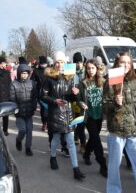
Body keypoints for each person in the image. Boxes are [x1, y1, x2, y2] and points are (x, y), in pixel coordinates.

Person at [103, 52, 136, 193]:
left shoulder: (134, 81)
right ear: (117, 63)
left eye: (128, 63)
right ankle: (113, 190)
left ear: (131, 65)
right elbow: (105, 107)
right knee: (114, 166)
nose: (125, 65)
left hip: (133, 131)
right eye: (122, 62)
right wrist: (115, 103)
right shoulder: (111, 80)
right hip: (116, 131)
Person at [41, 51, 85, 180]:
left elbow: (70, 97)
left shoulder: (69, 77)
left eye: (62, 62)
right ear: (54, 64)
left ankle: (76, 169)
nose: (60, 65)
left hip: (68, 113)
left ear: (65, 63)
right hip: (55, 114)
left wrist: (75, 94)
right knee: (55, 140)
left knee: (71, 142)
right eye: (57, 62)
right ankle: (53, 157)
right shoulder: (49, 78)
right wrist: (54, 101)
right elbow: (42, 96)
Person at [78, 59, 107, 177]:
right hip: (88, 115)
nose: (90, 70)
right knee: (96, 140)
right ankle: (103, 165)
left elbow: (108, 95)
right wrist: (81, 103)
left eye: (92, 68)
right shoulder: (82, 83)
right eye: (88, 68)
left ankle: (86, 153)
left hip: (99, 115)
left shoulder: (103, 81)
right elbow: (79, 98)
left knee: (93, 139)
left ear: (96, 69)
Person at [10, 63, 37, 156]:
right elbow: (12, 99)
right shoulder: (14, 84)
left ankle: (28, 148)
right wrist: (16, 110)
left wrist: (33, 107)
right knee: (22, 130)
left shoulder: (32, 83)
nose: (24, 75)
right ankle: (18, 140)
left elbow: (34, 97)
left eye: (26, 73)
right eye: (22, 73)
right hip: (19, 113)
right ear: (19, 73)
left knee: (29, 130)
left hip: (29, 112)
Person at [72, 52, 87, 153]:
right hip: (73, 101)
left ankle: (83, 144)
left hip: (82, 101)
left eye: (80, 62)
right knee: (75, 121)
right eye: (77, 62)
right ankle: (76, 137)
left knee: (81, 124)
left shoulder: (86, 72)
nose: (79, 64)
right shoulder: (70, 72)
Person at [31, 56, 49, 131]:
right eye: (42, 64)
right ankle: (44, 123)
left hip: (50, 92)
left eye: (45, 64)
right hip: (40, 93)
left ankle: (48, 122)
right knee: (43, 109)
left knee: (49, 109)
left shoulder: (50, 69)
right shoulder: (36, 71)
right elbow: (32, 81)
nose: (43, 65)